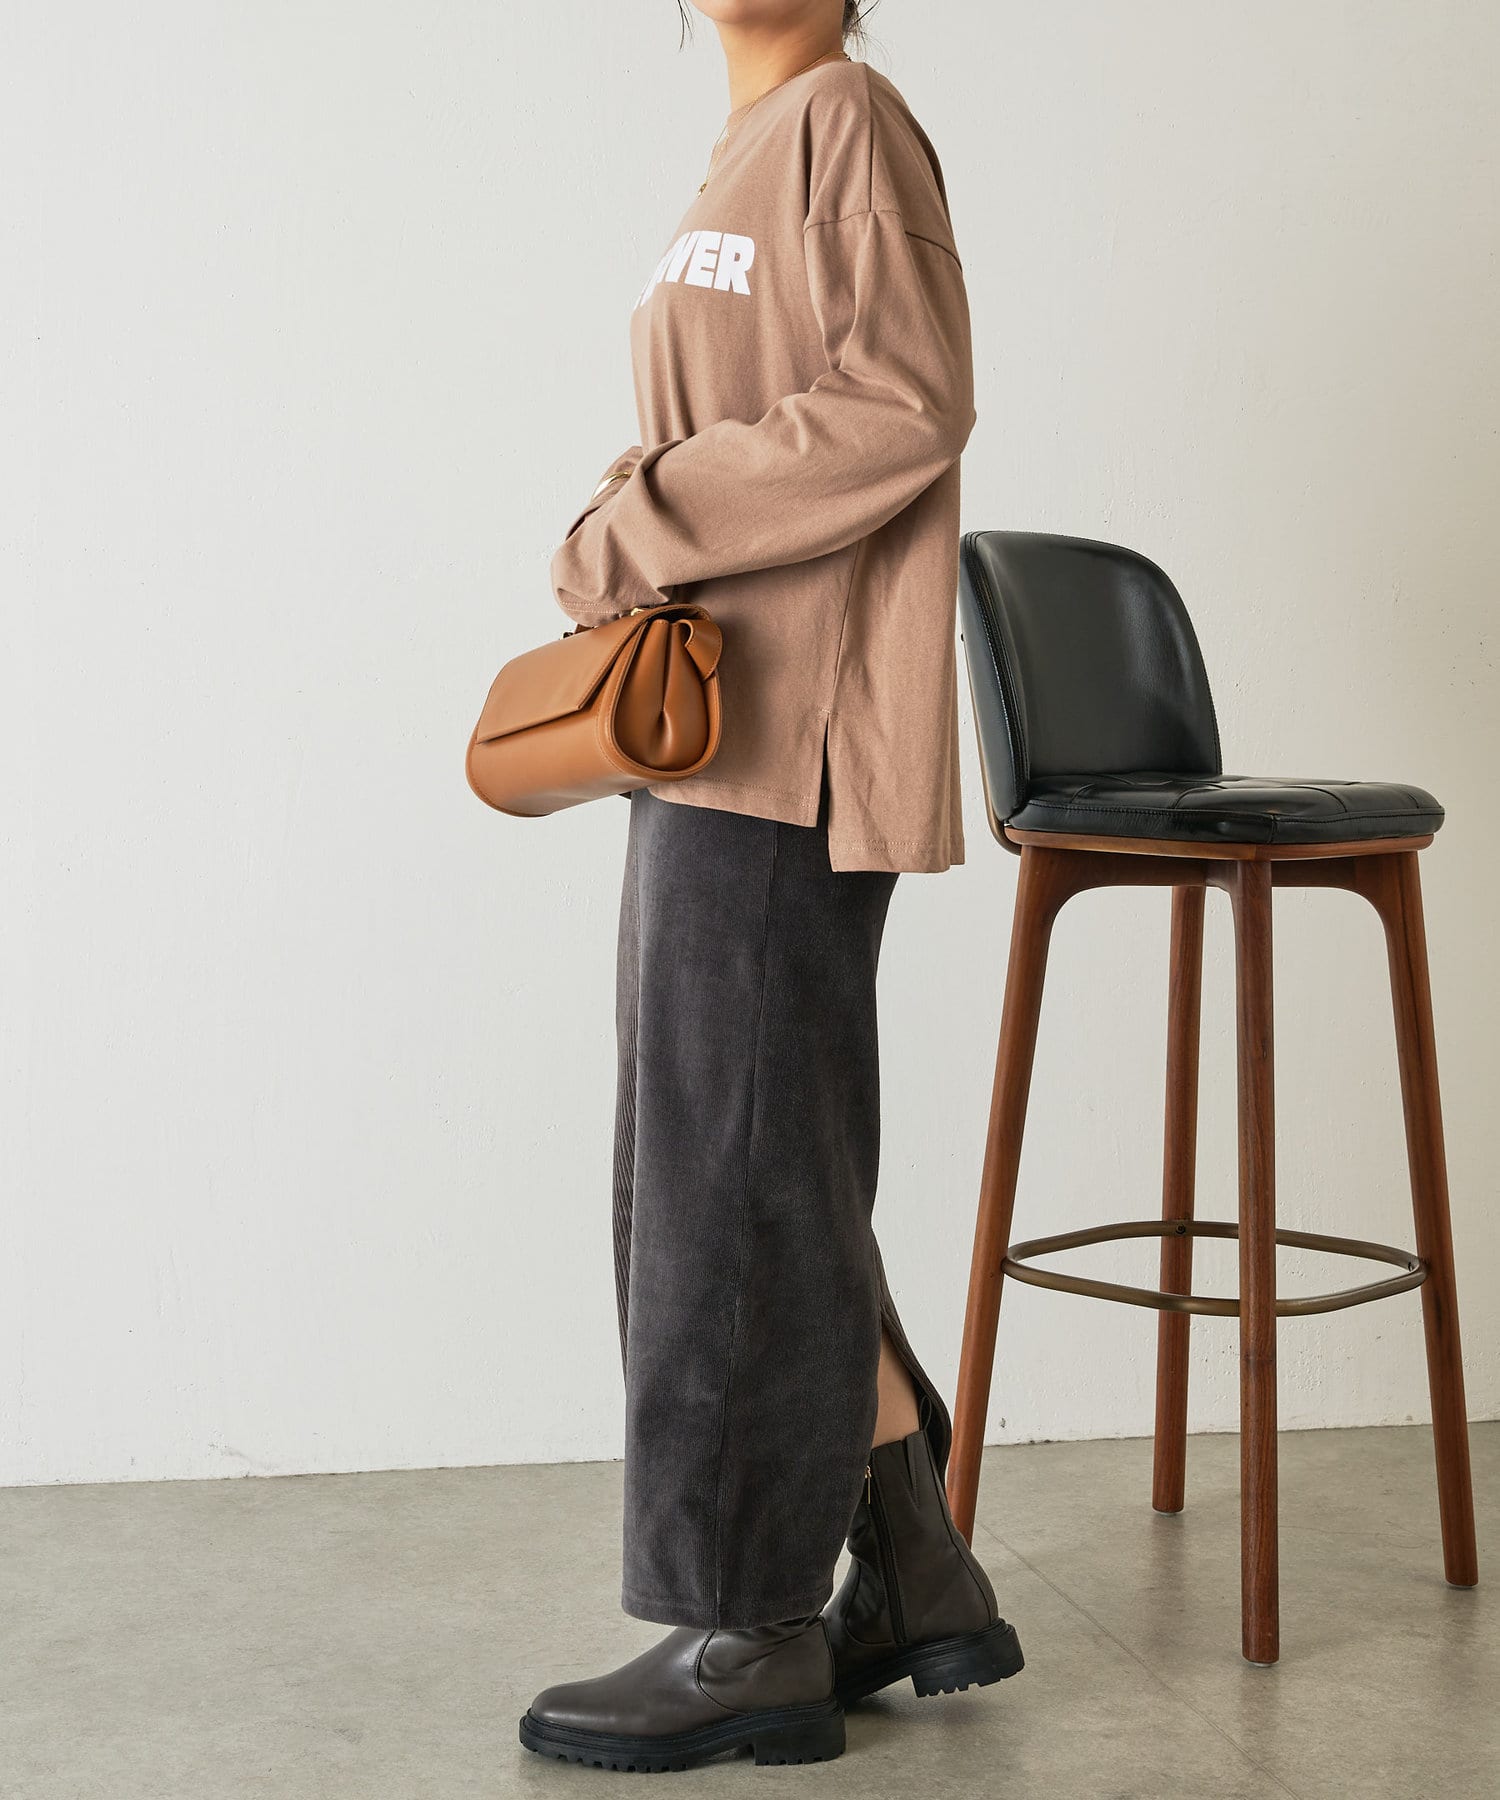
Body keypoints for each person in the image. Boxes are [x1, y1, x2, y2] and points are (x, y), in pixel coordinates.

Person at [520, 0, 1022, 1771]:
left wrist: (641, 512)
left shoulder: (847, 119)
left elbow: (905, 400)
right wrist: (635, 510)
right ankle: (914, 1568)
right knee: (758, 1166)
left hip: (794, 736)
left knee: (722, 1178)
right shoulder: (735, 156)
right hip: (714, 722)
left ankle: (748, 1630)